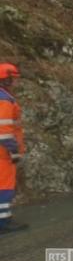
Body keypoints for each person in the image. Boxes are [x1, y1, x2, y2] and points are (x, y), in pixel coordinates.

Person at [0, 62, 27, 235]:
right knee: (4, 187)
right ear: (6, 80)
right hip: (2, 154)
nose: (16, 83)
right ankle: (3, 222)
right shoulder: (5, 101)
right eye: (14, 79)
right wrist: (14, 151)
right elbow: (4, 130)